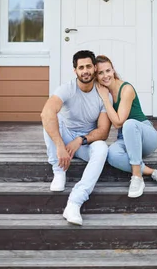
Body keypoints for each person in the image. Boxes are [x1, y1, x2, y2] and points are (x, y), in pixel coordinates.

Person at [41, 50, 110, 226]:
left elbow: (103, 131)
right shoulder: (66, 89)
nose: (85, 71)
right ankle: (58, 170)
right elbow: (46, 113)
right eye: (81, 67)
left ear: (95, 68)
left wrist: (80, 139)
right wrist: (60, 146)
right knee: (50, 117)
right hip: (65, 137)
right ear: (75, 71)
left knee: (102, 148)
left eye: (88, 66)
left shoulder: (103, 94)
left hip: (85, 142)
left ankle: (74, 202)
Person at [95, 54, 157, 198]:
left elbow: (118, 122)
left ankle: (137, 177)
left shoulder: (126, 89)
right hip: (124, 138)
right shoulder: (102, 92)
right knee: (111, 154)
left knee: (128, 124)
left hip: (145, 135)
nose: (105, 75)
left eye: (108, 70)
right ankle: (153, 172)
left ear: (113, 70)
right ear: (96, 76)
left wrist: (105, 98)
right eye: (100, 73)